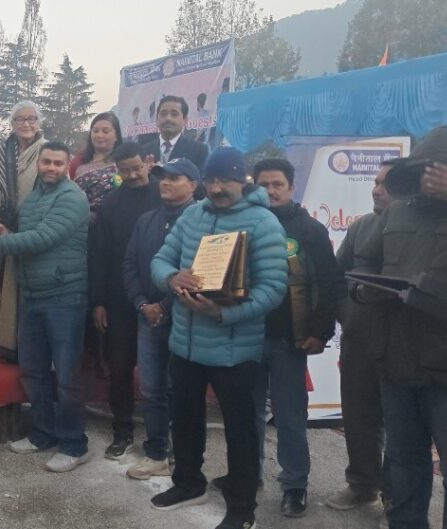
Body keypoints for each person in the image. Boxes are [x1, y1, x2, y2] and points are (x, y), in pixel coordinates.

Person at [149, 147, 287, 529]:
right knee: (184, 419)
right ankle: (187, 483)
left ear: (241, 180)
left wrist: (223, 313)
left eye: (224, 180)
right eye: (210, 180)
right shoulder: (193, 214)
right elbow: (160, 259)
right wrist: (171, 277)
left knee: (240, 432)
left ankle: (242, 509)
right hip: (186, 343)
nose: (216, 188)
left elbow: (273, 289)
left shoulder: (263, 223)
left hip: (234, 350)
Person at [353, 125, 447, 529]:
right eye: (424, 170)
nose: (430, 179)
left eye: (441, 170)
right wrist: (364, 289)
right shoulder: (396, 212)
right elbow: (365, 261)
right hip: (397, 363)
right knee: (405, 465)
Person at [0, 141, 91, 473]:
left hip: (64, 296)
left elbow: (42, 239)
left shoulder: (72, 197)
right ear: (39, 163)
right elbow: (28, 233)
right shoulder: (34, 196)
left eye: (58, 163)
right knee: (33, 371)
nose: (51, 168)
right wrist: (8, 232)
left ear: (67, 166)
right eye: (46, 162)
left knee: (66, 376)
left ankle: (74, 444)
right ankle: (42, 434)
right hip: (33, 294)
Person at [239, 158, 344, 517]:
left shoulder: (309, 229)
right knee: (247, 413)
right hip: (248, 335)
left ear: (291, 187)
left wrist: (320, 331)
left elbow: (328, 283)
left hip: (290, 340)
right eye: (263, 185)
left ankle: (295, 485)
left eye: (277, 185)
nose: (270, 191)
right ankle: (248, 475)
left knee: (290, 417)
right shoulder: (245, 224)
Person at [121, 158, 200, 480]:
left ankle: (184, 456)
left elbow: (199, 272)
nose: (165, 182)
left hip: (186, 317)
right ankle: (156, 452)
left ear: (193, 185)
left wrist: (165, 306)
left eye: (175, 178)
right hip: (147, 317)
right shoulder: (147, 220)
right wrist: (143, 304)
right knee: (152, 388)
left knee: (182, 390)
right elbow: (129, 264)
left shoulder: (202, 221)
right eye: (163, 177)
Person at [328, 159, 396, 515]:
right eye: (375, 181)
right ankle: (362, 486)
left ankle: (395, 498)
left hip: (402, 346)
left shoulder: (420, 231)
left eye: (385, 183)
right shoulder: (361, 227)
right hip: (358, 343)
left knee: (401, 426)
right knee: (358, 418)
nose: (376, 189)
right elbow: (337, 277)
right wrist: (347, 313)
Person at [88, 142, 163, 460]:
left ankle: (161, 435)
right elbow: (99, 255)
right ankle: (122, 430)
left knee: (159, 371)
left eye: (136, 168)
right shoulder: (111, 203)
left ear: (148, 162)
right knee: (119, 368)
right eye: (125, 170)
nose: (132, 175)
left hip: (160, 298)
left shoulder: (165, 194)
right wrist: (98, 301)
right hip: (119, 299)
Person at [0, 100, 47, 362]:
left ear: (39, 123)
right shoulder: (1, 151)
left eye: (31, 119)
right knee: (5, 286)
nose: (26, 124)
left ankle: (28, 348)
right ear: (12, 123)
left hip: (34, 228)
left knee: (28, 287)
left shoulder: (46, 150)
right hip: (4, 226)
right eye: (20, 119)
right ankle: (7, 345)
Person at [70, 112, 124, 214]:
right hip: (82, 218)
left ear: (116, 136)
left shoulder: (123, 161)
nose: (99, 135)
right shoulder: (78, 161)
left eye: (105, 131)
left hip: (117, 217)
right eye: (95, 131)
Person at [142, 95, 209, 169]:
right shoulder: (144, 151)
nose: (168, 118)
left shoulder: (199, 150)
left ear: (185, 120)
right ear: (157, 119)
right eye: (163, 114)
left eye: (174, 114)